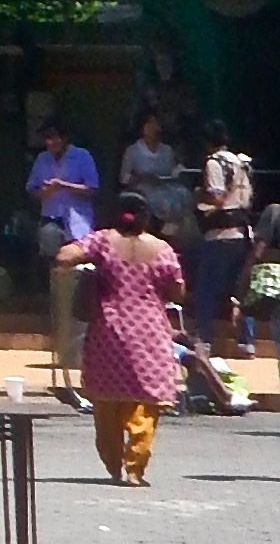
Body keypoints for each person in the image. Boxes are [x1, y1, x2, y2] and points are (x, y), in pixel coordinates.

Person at [61, 197, 186, 484]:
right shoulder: (162, 249)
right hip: (149, 335)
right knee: (144, 403)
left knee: (106, 405)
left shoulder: (103, 240)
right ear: (147, 218)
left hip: (109, 333)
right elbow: (177, 292)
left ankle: (113, 463)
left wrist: (91, 265)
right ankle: (134, 468)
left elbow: (64, 256)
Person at [26, 117, 102, 385]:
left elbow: (92, 189)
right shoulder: (42, 160)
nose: (52, 143)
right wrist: (44, 192)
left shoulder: (82, 156)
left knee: (80, 272)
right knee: (52, 265)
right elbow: (31, 190)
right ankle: (56, 314)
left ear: (65, 138)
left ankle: (79, 317)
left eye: (55, 137)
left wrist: (64, 186)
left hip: (77, 223)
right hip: (51, 220)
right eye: (48, 138)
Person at [191, 139, 257, 360]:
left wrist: (199, 194)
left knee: (206, 290)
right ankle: (246, 341)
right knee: (240, 291)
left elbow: (217, 196)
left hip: (220, 235)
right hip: (242, 234)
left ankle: (204, 340)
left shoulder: (214, 162)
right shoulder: (240, 163)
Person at [121, 102, 194, 242]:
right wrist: (142, 178)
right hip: (144, 191)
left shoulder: (167, 150)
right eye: (150, 123)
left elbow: (173, 171)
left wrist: (179, 171)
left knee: (183, 196)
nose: (154, 127)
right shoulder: (133, 150)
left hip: (166, 188)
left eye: (156, 123)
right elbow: (124, 177)